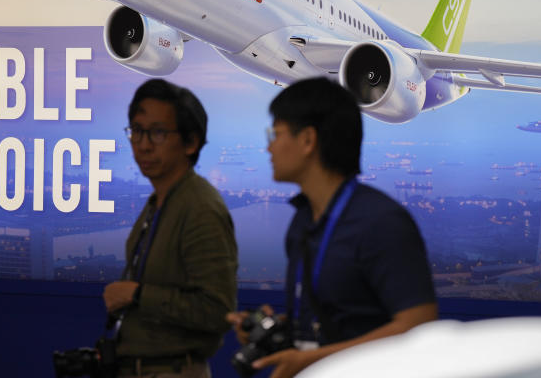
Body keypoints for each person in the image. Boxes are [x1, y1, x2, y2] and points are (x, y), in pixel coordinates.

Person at [229, 77, 437, 378]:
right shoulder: (303, 222)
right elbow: (335, 323)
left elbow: (419, 329)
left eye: (275, 134)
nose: (269, 147)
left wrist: (315, 360)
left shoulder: (381, 222)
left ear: (308, 140)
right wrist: (275, 330)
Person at [102, 78, 238, 378]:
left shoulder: (200, 206)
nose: (144, 144)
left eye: (158, 133)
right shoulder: (158, 202)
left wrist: (137, 296)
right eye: (137, 131)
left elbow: (216, 310)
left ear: (191, 142)